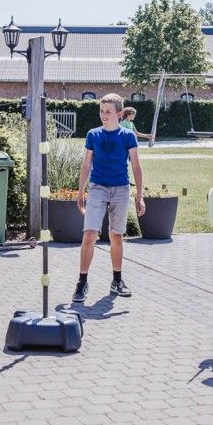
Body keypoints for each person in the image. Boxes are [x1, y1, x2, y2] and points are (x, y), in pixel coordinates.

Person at [73, 93, 145, 303]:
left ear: (119, 114)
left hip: (121, 189)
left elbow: (136, 166)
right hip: (97, 188)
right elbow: (86, 164)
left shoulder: (127, 136)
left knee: (116, 236)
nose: (104, 115)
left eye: (108, 112)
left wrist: (139, 196)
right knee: (89, 235)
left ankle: (117, 280)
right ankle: (82, 282)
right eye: (102, 111)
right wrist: (80, 192)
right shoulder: (93, 135)